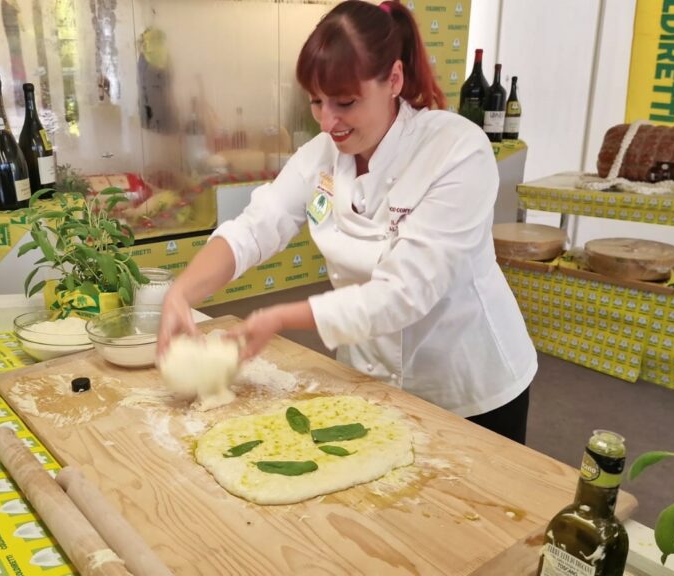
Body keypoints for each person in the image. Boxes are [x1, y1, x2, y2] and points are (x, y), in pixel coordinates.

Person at [158, 0, 537, 444]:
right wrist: (180, 293)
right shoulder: (321, 156)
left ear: (393, 79)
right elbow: (257, 225)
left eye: (345, 102)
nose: (328, 121)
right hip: (368, 373)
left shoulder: (455, 150)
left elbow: (405, 291)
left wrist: (278, 317)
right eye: (317, 102)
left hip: (467, 384)